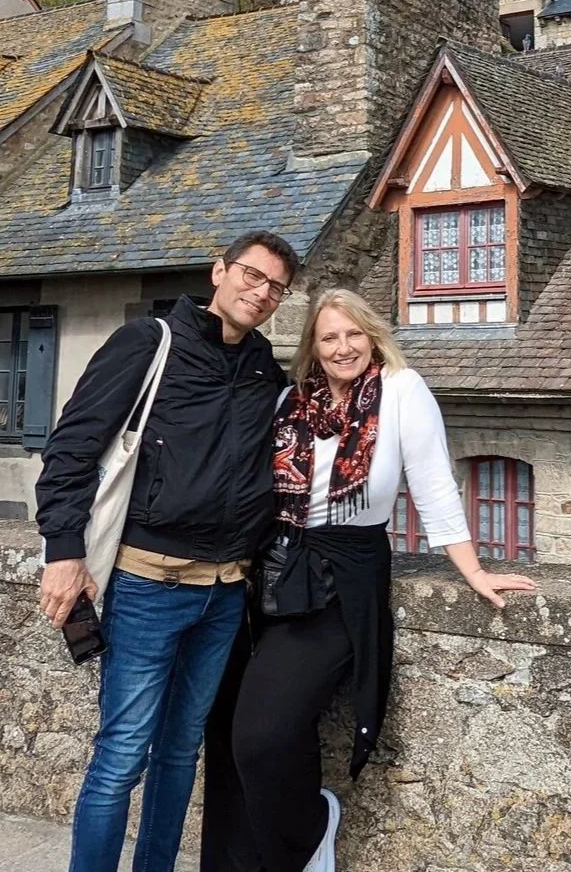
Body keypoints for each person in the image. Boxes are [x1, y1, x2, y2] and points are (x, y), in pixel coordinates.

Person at [201, 287, 537, 872]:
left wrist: (474, 569)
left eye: (353, 333)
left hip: (345, 576)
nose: (343, 347)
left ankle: (310, 831)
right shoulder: (291, 401)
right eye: (329, 337)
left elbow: (433, 483)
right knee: (247, 730)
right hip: (275, 570)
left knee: (263, 733)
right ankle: (273, 855)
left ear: (373, 336)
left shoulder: (401, 390)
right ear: (313, 346)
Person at [35, 230, 301, 872]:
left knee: (181, 752)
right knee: (123, 754)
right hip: (147, 585)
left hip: (224, 591)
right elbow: (71, 449)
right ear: (219, 271)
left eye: (276, 288)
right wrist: (64, 551)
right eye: (252, 275)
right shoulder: (149, 343)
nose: (261, 293)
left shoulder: (264, 370)